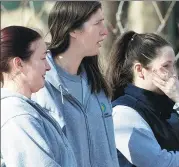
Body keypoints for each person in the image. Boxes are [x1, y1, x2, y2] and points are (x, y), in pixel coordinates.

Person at [105, 30, 179, 167]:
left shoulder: (174, 103)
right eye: (166, 66)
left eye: (174, 65)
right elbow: (159, 163)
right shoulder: (123, 112)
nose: (174, 74)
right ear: (140, 70)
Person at [31, 2, 119, 167]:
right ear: (73, 30)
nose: (105, 31)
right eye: (97, 23)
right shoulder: (41, 85)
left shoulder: (97, 84)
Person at [1, 26, 77, 167]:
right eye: (42, 58)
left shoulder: (24, 110)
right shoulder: (18, 116)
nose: (48, 67)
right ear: (19, 64)